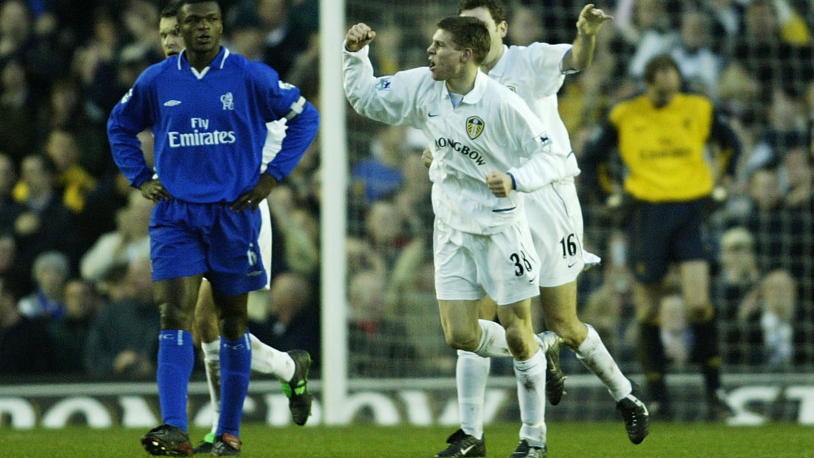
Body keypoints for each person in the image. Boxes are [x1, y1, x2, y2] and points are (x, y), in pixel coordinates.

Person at [344, 16, 645, 458]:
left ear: (488, 36)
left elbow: (556, 145)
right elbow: (368, 99)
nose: (430, 52)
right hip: (454, 226)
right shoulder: (427, 85)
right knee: (464, 334)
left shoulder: (519, 77)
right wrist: (355, 56)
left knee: (560, 321)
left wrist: (515, 179)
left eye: (441, 44)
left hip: (528, 206)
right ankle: (483, 419)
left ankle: (583, 413)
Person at [107, 1, 320, 455]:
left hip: (239, 209)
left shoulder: (250, 77)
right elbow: (119, 126)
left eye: (207, 21)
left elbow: (305, 117)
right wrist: (140, 178)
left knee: (226, 323)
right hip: (178, 215)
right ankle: (178, 427)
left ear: (219, 25)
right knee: (181, 317)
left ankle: (241, 415)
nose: (185, 35)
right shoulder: (159, 80)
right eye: (175, 29)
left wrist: (271, 177)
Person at [581, 54, 741, 421]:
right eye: (660, 85)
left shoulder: (698, 107)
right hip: (646, 212)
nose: (667, 92)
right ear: (648, 83)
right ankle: (657, 397)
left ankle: (714, 389)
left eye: (673, 84)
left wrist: (723, 185)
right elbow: (592, 159)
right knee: (649, 309)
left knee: (699, 303)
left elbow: (731, 145)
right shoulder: (625, 113)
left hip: (689, 209)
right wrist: (609, 196)